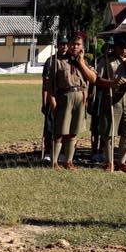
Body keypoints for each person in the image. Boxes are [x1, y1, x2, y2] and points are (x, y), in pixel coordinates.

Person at [95, 32, 126, 172]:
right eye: (121, 47)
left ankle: (122, 161)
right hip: (111, 98)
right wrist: (112, 82)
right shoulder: (106, 60)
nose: (124, 50)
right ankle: (109, 161)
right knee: (109, 131)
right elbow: (97, 79)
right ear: (115, 46)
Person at [47, 32, 96, 170]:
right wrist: (53, 103)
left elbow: (93, 79)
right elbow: (50, 86)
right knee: (60, 132)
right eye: (73, 44)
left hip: (80, 97)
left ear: (82, 47)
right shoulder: (57, 61)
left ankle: (68, 161)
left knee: (73, 132)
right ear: (68, 45)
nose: (75, 47)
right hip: (64, 97)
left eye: (78, 44)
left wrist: (81, 62)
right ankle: (54, 162)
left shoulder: (84, 62)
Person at [42, 36, 69, 163]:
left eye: (66, 44)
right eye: (61, 44)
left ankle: (62, 152)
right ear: (57, 46)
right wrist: (44, 102)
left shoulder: (71, 60)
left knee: (65, 125)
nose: (64, 47)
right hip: (52, 96)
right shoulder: (51, 61)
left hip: (65, 97)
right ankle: (48, 152)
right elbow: (45, 84)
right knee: (49, 126)